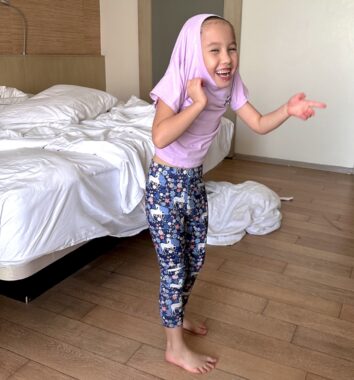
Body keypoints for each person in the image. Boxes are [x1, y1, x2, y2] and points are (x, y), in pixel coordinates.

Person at [145, 13, 326, 374]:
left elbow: (257, 123)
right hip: (164, 185)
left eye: (232, 48)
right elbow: (160, 136)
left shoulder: (229, 83)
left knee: (195, 258)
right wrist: (196, 103)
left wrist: (288, 111)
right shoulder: (178, 81)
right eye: (214, 50)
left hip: (193, 181)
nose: (225, 58)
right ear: (194, 52)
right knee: (174, 269)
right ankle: (174, 348)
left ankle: (177, 317)